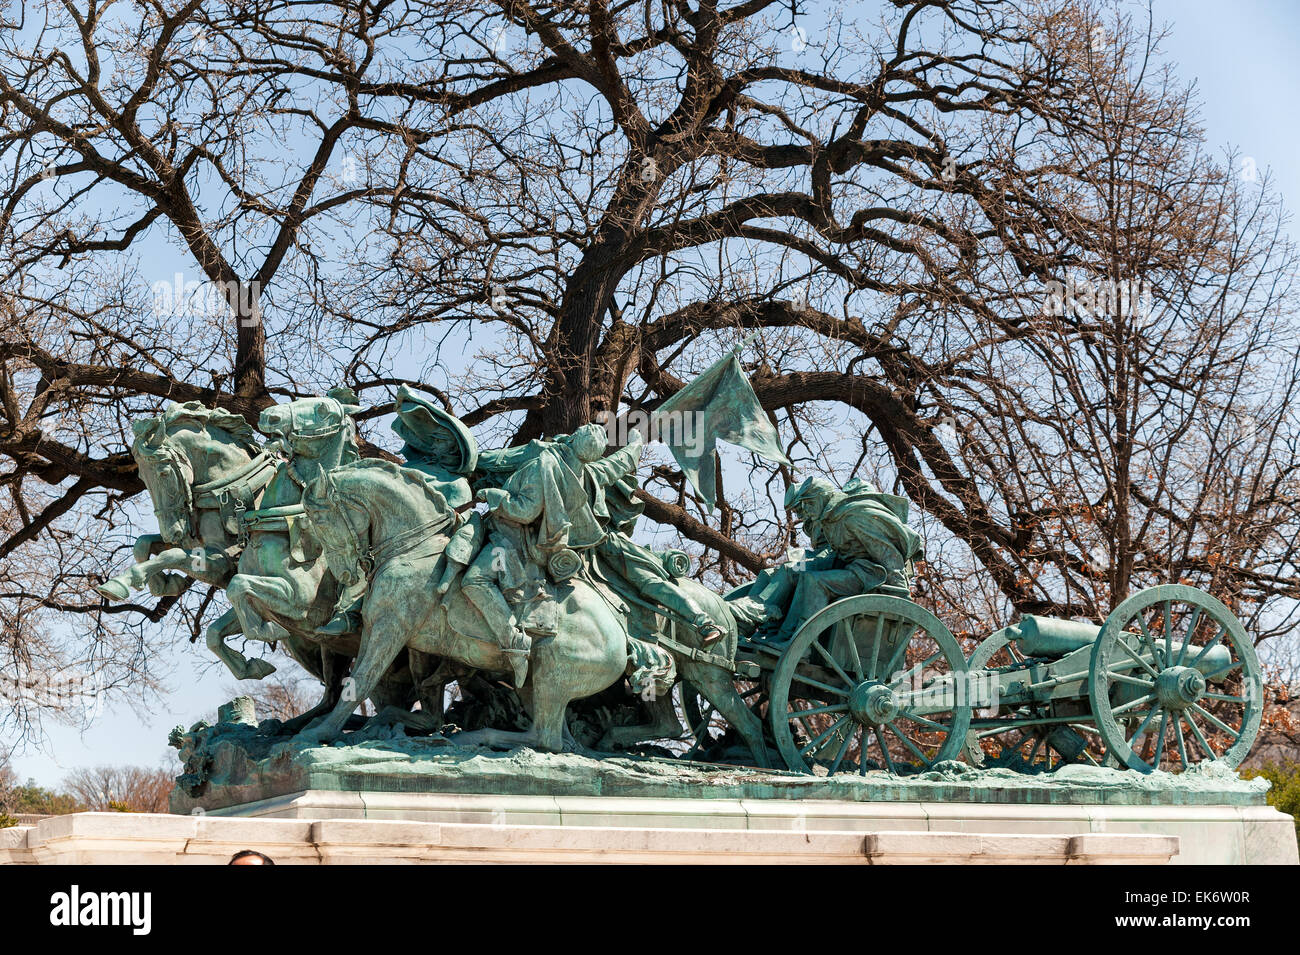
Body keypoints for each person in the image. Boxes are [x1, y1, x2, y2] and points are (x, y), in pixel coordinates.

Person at [766, 476, 923, 644]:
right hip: (853, 570)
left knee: (814, 581)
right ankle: (784, 636)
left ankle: (802, 645)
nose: (807, 512)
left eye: (810, 504)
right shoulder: (831, 519)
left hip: (872, 575)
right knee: (803, 575)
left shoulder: (854, 515)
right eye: (804, 506)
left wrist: (900, 595)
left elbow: (888, 553)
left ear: (824, 497)